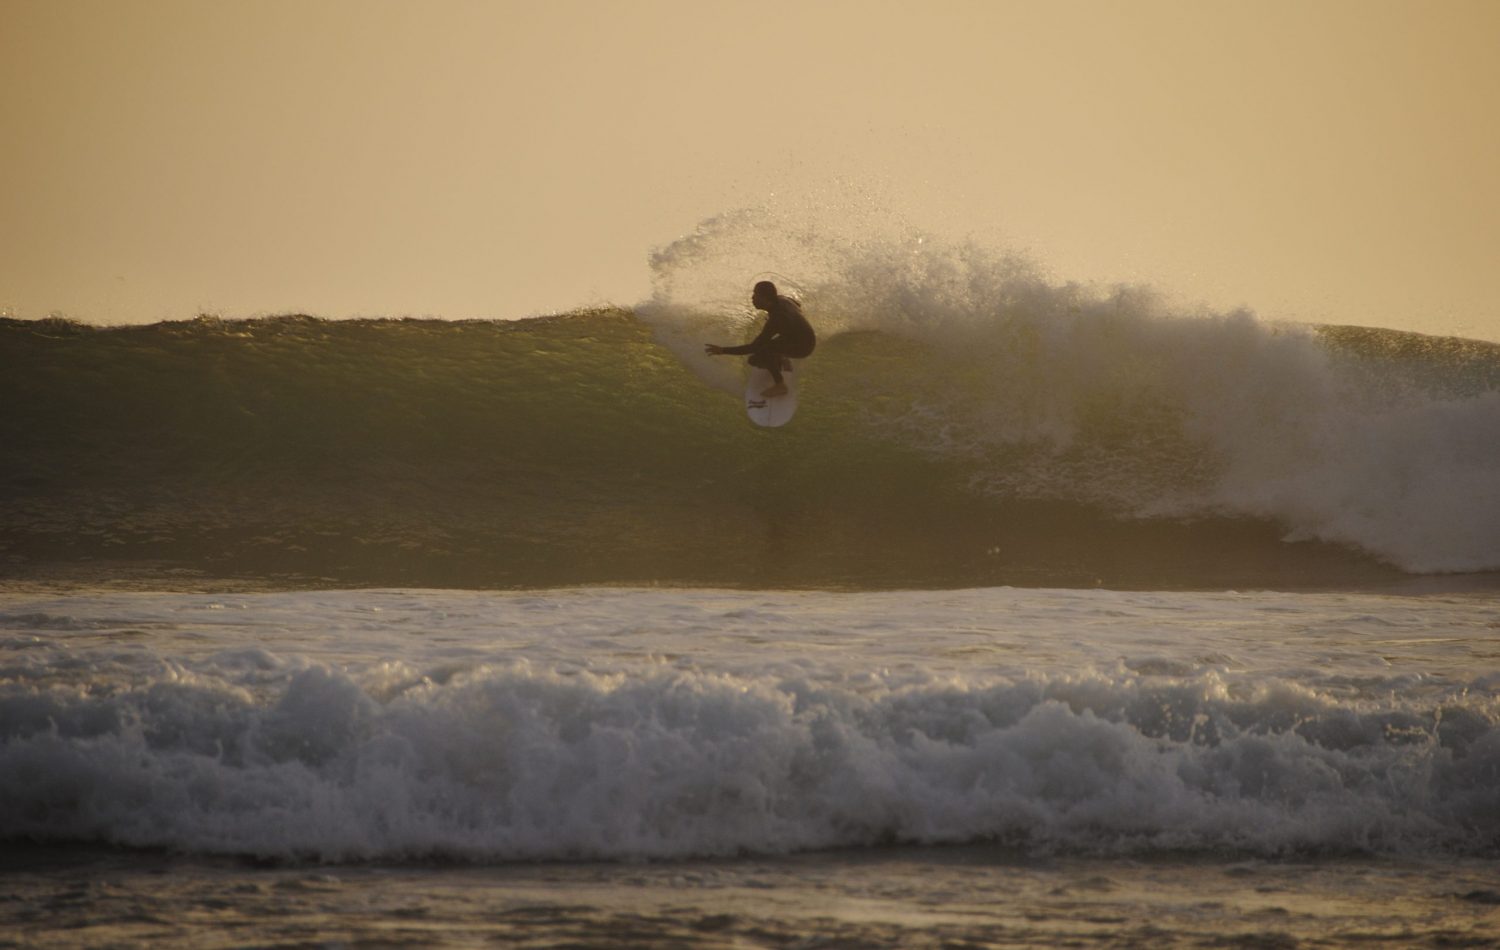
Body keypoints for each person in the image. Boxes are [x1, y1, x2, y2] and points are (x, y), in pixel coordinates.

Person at [704, 281, 816, 397]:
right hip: (805, 337)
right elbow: (797, 304)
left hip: (803, 347)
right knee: (767, 349)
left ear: (765, 299)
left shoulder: (777, 318)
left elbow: (753, 347)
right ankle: (781, 358)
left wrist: (723, 350)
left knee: (758, 356)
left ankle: (780, 385)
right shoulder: (783, 299)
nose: (752, 298)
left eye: (756, 295)